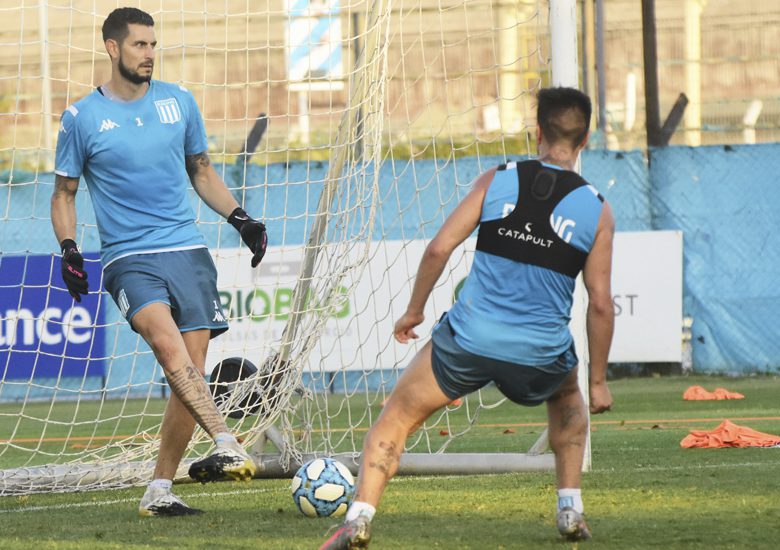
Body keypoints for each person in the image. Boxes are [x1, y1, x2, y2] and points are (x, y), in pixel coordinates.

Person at [320, 87, 615, 549]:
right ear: (586, 138)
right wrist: (597, 381)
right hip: (540, 352)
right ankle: (569, 508)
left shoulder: (496, 180)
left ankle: (359, 518)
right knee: (568, 405)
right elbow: (600, 302)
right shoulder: (597, 209)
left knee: (395, 417)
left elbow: (439, 247)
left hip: (468, 341)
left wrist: (414, 310)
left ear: (536, 131)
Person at [50, 7, 267, 517]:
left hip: (187, 251)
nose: (149, 54)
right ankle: (227, 443)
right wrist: (70, 250)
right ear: (112, 48)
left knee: (189, 373)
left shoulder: (179, 101)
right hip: (130, 258)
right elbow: (64, 194)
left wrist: (241, 219)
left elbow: (202, 170)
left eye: (153, 45)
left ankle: (158, 491)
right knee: (170, 352)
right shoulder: (81, 118)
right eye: (139, 45)